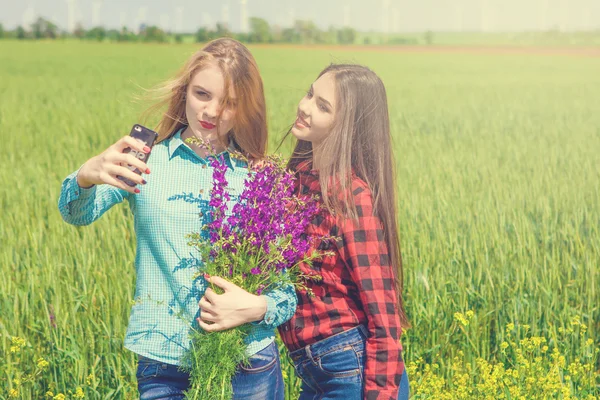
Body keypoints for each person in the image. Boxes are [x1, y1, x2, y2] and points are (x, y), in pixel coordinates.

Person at [58, 38, 295, 400]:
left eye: (229, 103)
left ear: (246, 108)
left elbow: (287, 291)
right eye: (203, 94)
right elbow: (76, 213)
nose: (212, 112)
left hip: (246, 360)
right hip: (163, 359)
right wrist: (86, 175)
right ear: (185, 91)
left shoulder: (259, 177)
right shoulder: (145, 161)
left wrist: (259, 307)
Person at [278, 64, 410, 400]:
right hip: (315, 371)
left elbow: (384, 313)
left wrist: (380, 394)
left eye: (322, 106)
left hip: (352, 367)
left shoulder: (350, 196)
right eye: (310, 93)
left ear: (347, 126)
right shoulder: (297, 182)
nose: (305, 107)